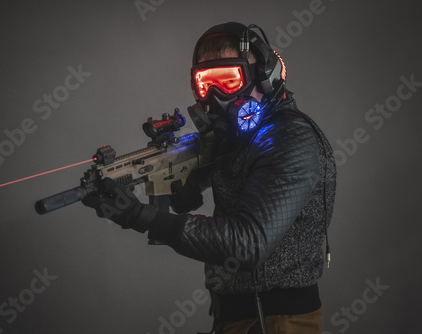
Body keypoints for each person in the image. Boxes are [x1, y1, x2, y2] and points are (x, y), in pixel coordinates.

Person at [83, 22, 337, 334]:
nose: (215, 96)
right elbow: (204, 185)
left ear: (266, 76)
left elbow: (249, 243)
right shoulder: (239, 139)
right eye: (205, 84)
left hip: (277, 321)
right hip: (237, 317)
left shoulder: (290, 139)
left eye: (229, 80)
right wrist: (181, 182)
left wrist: (141, 216)